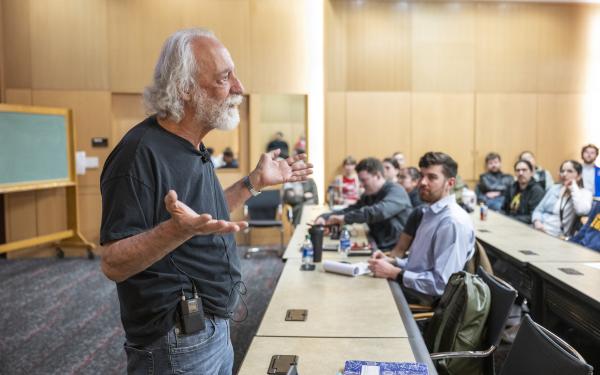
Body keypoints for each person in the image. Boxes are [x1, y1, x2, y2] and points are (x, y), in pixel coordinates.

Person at [99, 29, 312, 375]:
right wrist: (174, 231)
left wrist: (253, 183)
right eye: (225, 77)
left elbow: (202, 218)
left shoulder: (192, 147)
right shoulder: (139, 155)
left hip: (211, 326)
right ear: (185, 87)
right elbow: (113, 263)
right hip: (175, 341)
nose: (239, 88)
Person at [367, 152, 475, 303]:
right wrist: (393, 262)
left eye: (432, 177)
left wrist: (395, 273)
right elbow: (420, 265)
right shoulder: (429, 212)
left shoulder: (452, 222)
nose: (422, 182)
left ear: (450, 183)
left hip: (427, 303)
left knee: (367, 296)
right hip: (412, 290)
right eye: (422, 176)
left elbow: (442, 285)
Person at [316, 158, 413, 250]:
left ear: (378, 176)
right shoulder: (369, 195)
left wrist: (345, 218)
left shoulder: (396, 191)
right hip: (376, 244)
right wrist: (325, 217)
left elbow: (377, 212)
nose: (361, 185)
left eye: (364, 180)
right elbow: (351, 209)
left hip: (393, 250)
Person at [532, 160, 592, 238]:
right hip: (539, 228)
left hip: (557, 236)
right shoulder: (554, 188)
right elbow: (538, 210)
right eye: (562, 171)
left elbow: (581, 210)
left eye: (570, 171)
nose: (564, 174)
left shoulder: (585, 193)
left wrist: (573, 187)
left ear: (579, 176)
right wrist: (537, 222)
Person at [502, 159, 545, 224]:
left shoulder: (537, 190)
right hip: (509, 223)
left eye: (524, 170)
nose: (520, 173)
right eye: (518, 170)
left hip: (526, 227)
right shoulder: (512, 187)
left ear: (532, 172)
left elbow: (533, 216)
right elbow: (503, 209)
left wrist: (510, 219)